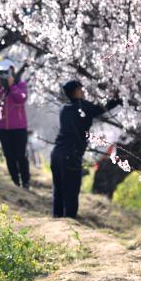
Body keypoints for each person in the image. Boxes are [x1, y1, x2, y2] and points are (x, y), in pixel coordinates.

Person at [50, 79, 121, 219]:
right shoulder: (83, 107)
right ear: (76, 91)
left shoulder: (63, 108)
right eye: (81, 89)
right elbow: (103, 108)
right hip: (70, 155)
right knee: (71, 191)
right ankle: (69, 222)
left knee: (58, 190)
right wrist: (119, 98)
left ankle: (56, 220)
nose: (83, 91)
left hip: (56, 154)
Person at [0, 58, 30, 188]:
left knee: (20, 155)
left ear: (12, 71)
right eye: (1, 73)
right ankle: (15, 182)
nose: (4, 75)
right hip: (3, 127)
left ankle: (26, 181)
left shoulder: (20, 85)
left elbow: (21, 99)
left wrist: (12, 86)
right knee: (9, 156)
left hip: (19, 127)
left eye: (6, 72)